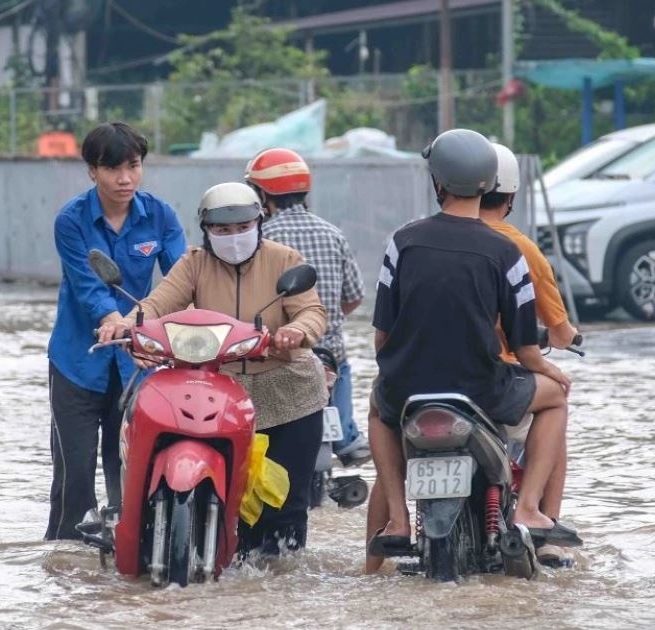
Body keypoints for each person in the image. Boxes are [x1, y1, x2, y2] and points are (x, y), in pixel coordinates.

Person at [364, 129, 580, 571]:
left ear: (438, 181)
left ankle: (399, 520)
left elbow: (381, 338)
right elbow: (526, 350)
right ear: (490, 185)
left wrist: (395, 371)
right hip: (483, 390)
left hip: (407, 390)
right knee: (556, 399)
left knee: (376, 407)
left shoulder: (403, 241)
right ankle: (529, 508)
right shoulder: (507, 251)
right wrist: (552, 373)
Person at [98, 182, 328, 555]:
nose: (233, 237)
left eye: (243, 227)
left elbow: (311, 311)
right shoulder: (194, 263)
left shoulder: (285, 259)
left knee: (286, 505)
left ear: (259, 222)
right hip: (220, 393)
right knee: (233, 502)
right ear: (206, 230)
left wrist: (297, 331)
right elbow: (156, 304)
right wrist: (126, 324)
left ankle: (282, 575)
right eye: (222, 229)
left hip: (288, 392)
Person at [45, 122, 186, 540]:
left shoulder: (161, 216)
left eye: (133, 166)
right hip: (77, 362)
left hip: (138, 363)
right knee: (74, 475)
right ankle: (65, 556)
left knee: (130, 466)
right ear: (92, 170)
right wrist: (112, 319)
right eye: (113, 169)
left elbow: (183, 278)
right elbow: (88, 286)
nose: (125, 178)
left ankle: (128, 553)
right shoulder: (71, 221)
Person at [480, 142, 581, 566]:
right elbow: (557, 331)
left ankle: (391, 525)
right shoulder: (519, 248)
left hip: (428, 378)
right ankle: (544, 525)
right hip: (500, 381)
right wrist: (568, 336)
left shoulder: (424, 240)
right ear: (511, 195)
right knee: (557, 399)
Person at [247, 147, 369, 465]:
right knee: (341, 364)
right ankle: (347, 436)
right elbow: (354, 296)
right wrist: (325, 318)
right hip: (329, 351)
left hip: (280, 354)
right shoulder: (333, 233)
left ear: (262, 195)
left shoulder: (260, 238)